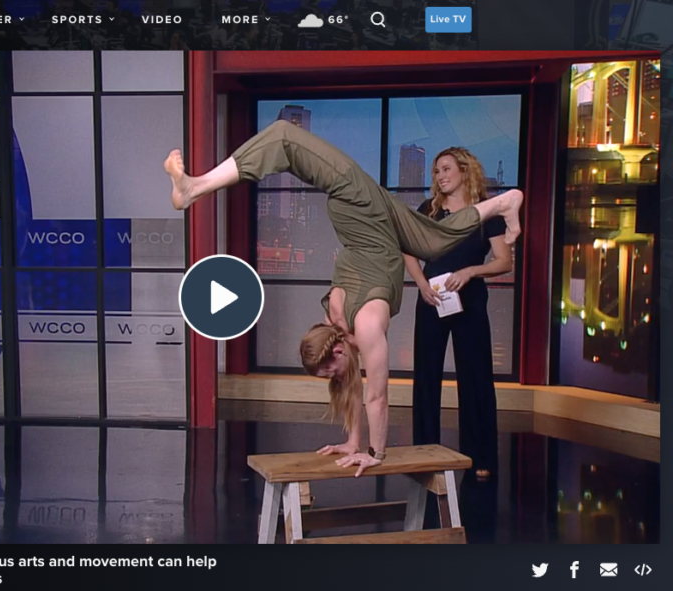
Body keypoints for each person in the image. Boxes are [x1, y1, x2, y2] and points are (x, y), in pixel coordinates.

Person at [165, 120, 522, 476]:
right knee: (435, 241)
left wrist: (375, 454)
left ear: (337, 349)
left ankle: (195, 187)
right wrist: (355, 443)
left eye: (328, 372)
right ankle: (505, 203)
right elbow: (354, 387)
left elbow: (375, 397)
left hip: (361, 211)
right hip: (375, 223)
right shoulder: (342, 324)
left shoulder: (363, 325)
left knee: (284, 136)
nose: (333, 378)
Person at [403, 148, 512, 481]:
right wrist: (421, 284)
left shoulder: (487, 213)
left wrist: (471, 272)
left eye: (446, 169)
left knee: (476, 377)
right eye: (436, 171)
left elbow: (505, 262)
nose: (440, 176)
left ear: (465, 171)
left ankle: (479, 456)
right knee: (426, 377)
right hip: (433, 299)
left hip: (471, 301)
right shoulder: (429, 210)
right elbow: (408, 249)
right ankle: (424, 454)